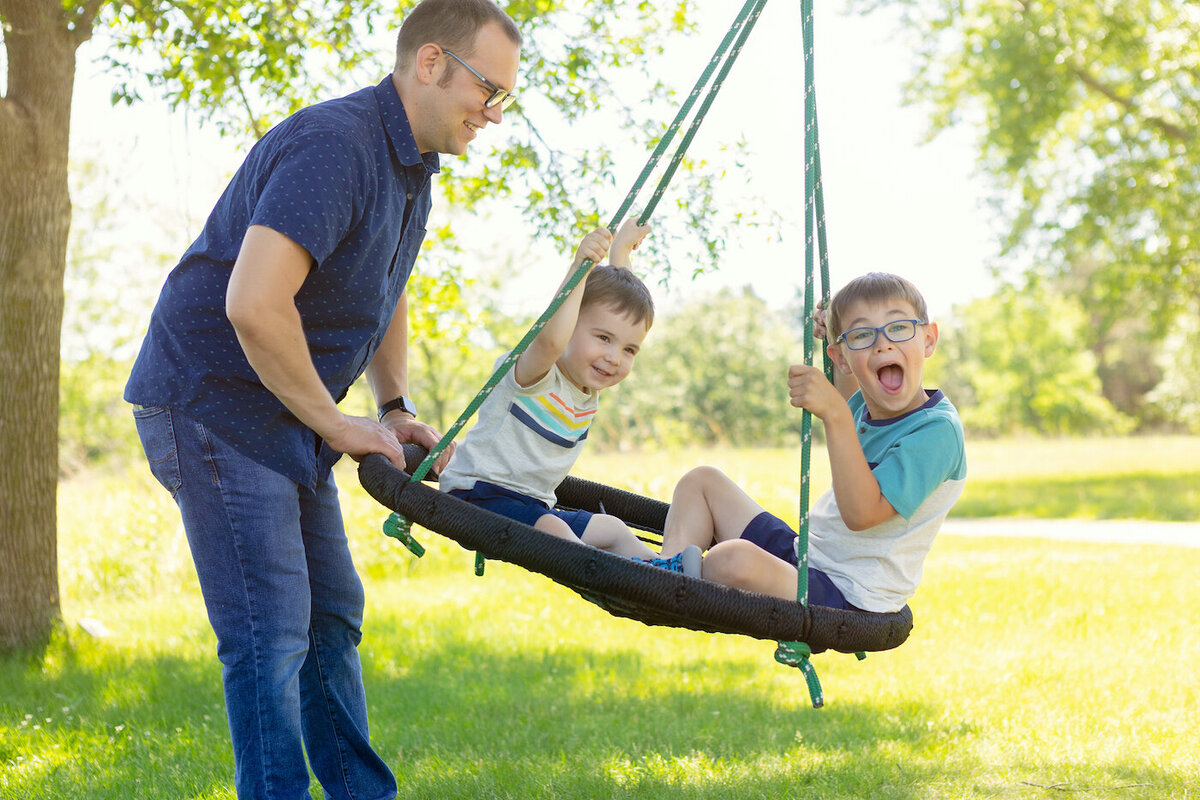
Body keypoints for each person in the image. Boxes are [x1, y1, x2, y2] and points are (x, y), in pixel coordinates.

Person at [123, 1, 522, 797]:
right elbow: (252, 304)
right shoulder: (337, 146)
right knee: (270, 637)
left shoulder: (411, 168)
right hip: (214, 403)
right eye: (491, 88)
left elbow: (384, 289)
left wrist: (395, 404)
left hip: (284, 416)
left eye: (507, 97)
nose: (495, 112)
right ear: (432, 63)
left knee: (330, 619)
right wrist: (337, 422)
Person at [659, 271, 966, 612]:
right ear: (842, 358)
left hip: (850, 594)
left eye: (898, 327)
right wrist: (834, 329)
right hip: (806, 557)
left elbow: (862, 515)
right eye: (863, 335)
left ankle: (678, 583)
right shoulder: (866, 401)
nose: (882, 343)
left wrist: (834, 413)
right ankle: (665, 573)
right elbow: (846, 387)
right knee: (702, 482)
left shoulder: (937, 432)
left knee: (731, 560)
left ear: (928, 339)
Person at [438, 218, 702, 575]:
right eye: (603, 339)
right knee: (555, 529)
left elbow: (619, 304)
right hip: (478, 495)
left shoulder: (588, 385)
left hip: (533, 506)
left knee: (612, 528)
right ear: (568, 322)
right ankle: (612, 577)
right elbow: (552, 339)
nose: (614, 357)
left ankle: (660, 573)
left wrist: (620, 253)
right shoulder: (535, 371)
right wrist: (581, 266)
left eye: (629, 350)